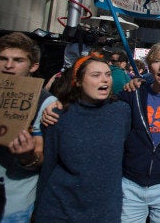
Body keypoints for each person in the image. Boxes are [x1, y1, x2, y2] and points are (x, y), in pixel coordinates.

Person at [43, 40, 160, 222]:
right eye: (156, 61)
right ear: (149, 66)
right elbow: (97, 105)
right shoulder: (132, 95)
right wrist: (58, 103)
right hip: (130, 184)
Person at [35, 55, 131, 222]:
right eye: (95, 75)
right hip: (59, 210)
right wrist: (37, 210)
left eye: (108, 74)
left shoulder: (122, 112)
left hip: (104, 212)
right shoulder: (58, 115)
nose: (105, 80)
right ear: (78, 81)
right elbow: (48, 165)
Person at [0, 32, 57, 221]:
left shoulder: (46, 103)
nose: (9, 66)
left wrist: (26, 155)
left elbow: (41, 158)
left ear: (33, 66)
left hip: (12, 206)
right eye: (3, 58)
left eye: (18, 60)